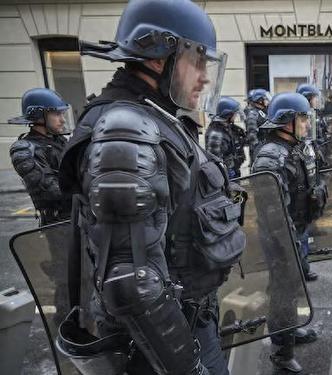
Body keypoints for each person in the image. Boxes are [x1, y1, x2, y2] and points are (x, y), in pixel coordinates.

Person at [58, 1, 247, 374]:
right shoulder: (126, 129)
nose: (205, 76)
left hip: (185, 326)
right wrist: (189, 367)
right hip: (159, 348)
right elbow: (132, 283)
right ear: (159, 56)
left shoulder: (156, 117)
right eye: (198, 60)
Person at [251, 92, 327, 372]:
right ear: (286, 120)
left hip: (295, 230)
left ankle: (291, 330)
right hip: (279, 237)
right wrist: (287, 244)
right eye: (302, 117)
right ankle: (281, 353)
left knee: (293, 287)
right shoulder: (272, 155)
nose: (307, 122)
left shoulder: (294, 146)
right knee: (283, 291)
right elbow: (272, 212)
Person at [8, 88, 71, 225]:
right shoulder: (25, 150)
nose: (63, 120)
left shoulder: (61, 141)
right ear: (38, 116)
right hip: (58, 225)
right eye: (57, 114)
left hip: (81, 219)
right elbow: (53, 192)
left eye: (63, 114)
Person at [205, 96, 247, 178]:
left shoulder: (225, 128)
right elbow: (216, 162)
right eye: (234, 113)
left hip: (232, 171)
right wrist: (227, 175)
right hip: (226, 177)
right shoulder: (216, 134)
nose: (235, 116)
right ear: (227, 115)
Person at [244, 88, 271, 164]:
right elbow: (252, 135)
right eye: (265, 99)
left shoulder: (262, 111)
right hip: (259, 150)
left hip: (265, 147)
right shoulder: (253, 114)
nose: (267, 101)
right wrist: (259, 150)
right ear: (260, 100)